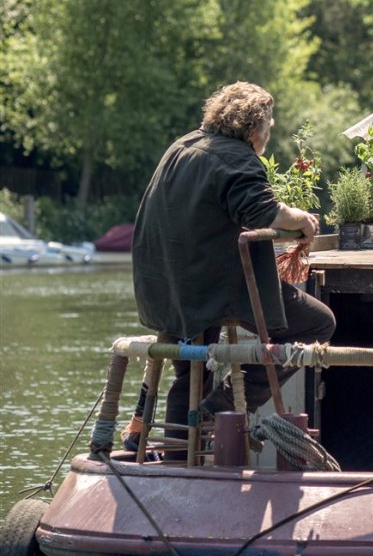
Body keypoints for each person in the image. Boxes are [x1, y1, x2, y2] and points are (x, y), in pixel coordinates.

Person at [132, 82, 336, 449]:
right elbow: (266, 212)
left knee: (190, 371)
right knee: (318, 324)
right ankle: (220, 409)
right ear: (255, 129)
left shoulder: (181, 146)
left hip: (167, 287)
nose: (267, 137)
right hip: (210, 286)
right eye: (268, 129)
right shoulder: (236, 157)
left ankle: (179, 456)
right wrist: (303, 220)